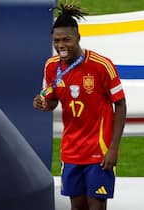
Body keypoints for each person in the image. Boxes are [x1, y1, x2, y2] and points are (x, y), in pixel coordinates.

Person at [33, 2, 126, 210]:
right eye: (57, 41)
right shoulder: (51, 66)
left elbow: (120, 104)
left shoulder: (101, 65)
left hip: (98, 150)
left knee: (96, 205)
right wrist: (43, 104)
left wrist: (113, 149)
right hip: (71, 151)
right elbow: (52, 100)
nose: (61, 45)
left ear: (78, 38)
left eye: (67, 39)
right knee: (77, 206)